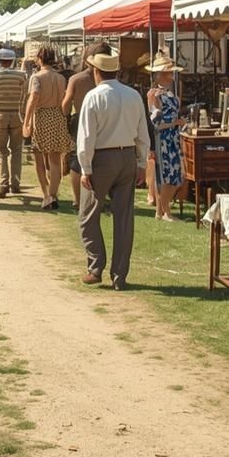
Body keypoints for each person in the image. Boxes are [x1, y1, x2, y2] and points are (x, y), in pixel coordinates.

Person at [75, 51, 150, 290]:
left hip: (102, 158)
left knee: (88, 215)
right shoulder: (133, 95)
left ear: (96, 72)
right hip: (127, 155)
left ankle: (96, 266)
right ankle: (119, 275)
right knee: (124, 218)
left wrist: (85, 167)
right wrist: (141, 163)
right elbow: (143, 132)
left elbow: (86, 136)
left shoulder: (93, 97)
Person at [63, 41, 112, 207]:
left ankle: (78, 200)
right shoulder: (111, 80)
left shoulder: (76, 79)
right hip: (105, 119)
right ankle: (101, 197)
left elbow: (66, 104)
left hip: (79, 120)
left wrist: (65, 116)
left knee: (78, 160)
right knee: (101, 157)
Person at [24, 45, 73, 210]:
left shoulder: (36, 77)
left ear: (40, 58)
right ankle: (53, 192)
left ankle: (47, 194)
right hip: (57, 115)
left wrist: (27, 120)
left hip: (42, 116)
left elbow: (34, 98)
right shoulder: (60, 78)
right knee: (55, 158)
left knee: (39, 156)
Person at [145, 55, 185, 222]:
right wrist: (175, 122)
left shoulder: (169, 93)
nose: (171, 77)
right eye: (168, 73)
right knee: (167, 175)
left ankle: (162, 210)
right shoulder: (154, 94)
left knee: (175, 176)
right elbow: (156, 121)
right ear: (160, 74)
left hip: (173, 137)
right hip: (163, 139)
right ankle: (164, 210)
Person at [0, 49, 28, 200]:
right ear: (13, 61)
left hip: (0, 116)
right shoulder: (21, 76)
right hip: (17, 115)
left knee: (1, 150)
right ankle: (15, 183)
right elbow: (25, 95)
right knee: (16, 150)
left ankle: (4, 183)